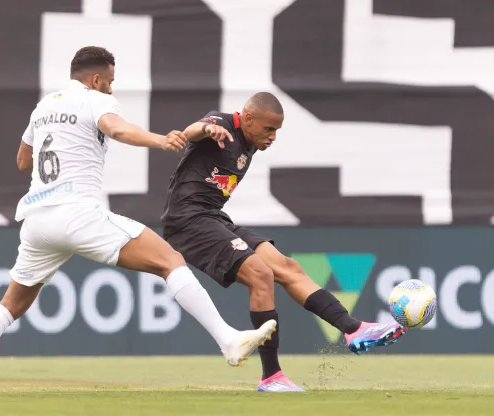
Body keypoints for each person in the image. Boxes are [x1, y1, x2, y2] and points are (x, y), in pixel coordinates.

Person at [0, 47, 277, 395]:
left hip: (36, 221)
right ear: (96, 79)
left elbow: (23, 160)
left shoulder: (44, 106)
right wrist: (161, 140)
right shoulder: (95, 100)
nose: (111, 89)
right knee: (170, 261)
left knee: (12, 303)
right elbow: (118, 130)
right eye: (110, 81)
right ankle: (227, 340)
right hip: (77, 213)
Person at [160, 92, 406, 393]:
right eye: (269, 129)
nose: (273, 136)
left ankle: (354, 329)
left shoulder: (249, 143)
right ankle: (271, 377)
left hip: (213, 217)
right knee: (260, 274)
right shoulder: (221, 123)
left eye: (277, 130)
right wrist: (206, 129)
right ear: (248, 118)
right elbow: (190, 132)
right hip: (187, 221)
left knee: (286, 266)